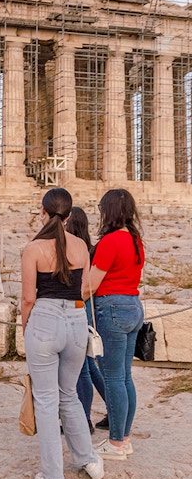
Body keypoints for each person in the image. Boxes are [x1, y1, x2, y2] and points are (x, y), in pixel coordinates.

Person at [21, 188, 104, 479]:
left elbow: (29, 297)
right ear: (69, 216)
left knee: (45, 400)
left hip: (44, 318)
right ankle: (90, 461)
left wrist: (26, 328)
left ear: (43, 212)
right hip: (76, 320)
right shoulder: (81, 245)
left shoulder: (33, 249)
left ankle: (53, 476)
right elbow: (84, 288)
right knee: (69, 394)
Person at [84, 189, 144, 460]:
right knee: (125, 376)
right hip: (133, 305)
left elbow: (91, 285)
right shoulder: (135, 240)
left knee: (113, 378)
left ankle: (116, 442)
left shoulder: (110, 242)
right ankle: (125, 437)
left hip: (113, 308)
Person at [65, 206, 107, 434]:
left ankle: (84, 420)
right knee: (89, 366)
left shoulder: (75, 251)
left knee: (82, 368)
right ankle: (112, 409)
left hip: (77, 309)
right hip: (87, 310)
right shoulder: (91, 249)